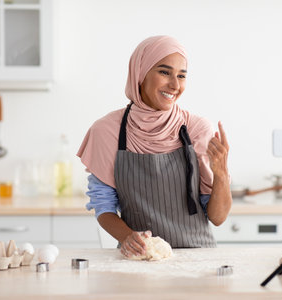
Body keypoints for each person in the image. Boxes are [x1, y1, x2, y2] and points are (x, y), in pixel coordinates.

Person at [77, 35, 232, 258]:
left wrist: (221, 174)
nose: (175, 85)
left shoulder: (197, 128)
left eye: (181, 76)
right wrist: (128, 237)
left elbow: (217, 218)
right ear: (140, 73)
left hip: (197, 258)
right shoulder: (107, 131)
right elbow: (104, 208)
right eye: (164, 72)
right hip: (140, 258)